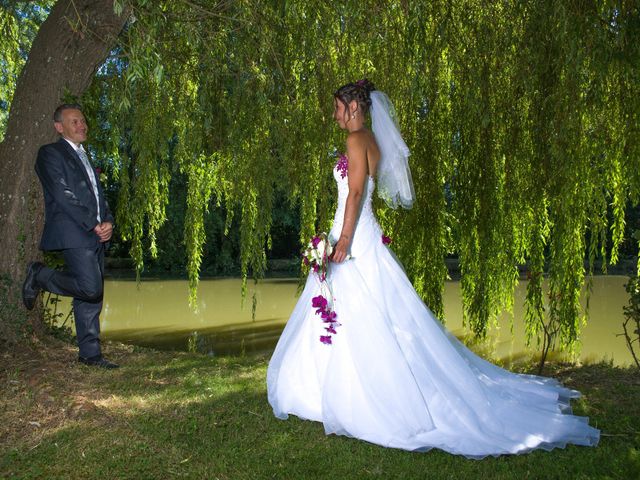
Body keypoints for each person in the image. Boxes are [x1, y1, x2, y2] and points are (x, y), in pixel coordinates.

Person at [266, 80, 599, 457]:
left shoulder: (357, 140)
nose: (334, 115)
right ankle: (331, 384)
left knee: (356, 315)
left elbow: (356, 192)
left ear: (354, 108)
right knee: (362, 314)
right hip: (363, 233)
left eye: (337, 108)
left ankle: (357, 393)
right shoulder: (371, 140)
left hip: (354, 238)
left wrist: (341, 241)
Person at [22, 103, 118, 369]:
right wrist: (92, 224)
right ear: (59, 127)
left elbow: (99, 198)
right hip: (73, 232)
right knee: (90, 288)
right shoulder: (49, 154)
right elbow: (62, 195)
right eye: (74, 121)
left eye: (83, 121)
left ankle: (90, 354)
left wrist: (108, 221)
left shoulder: (86, 156)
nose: (82, 125)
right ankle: (39, 275)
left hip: (95, 234)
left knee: (91, 297)